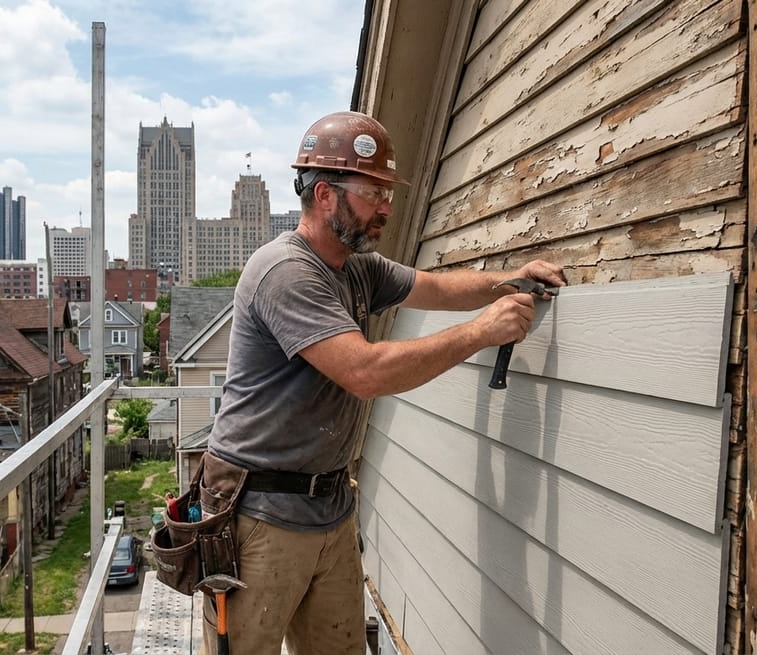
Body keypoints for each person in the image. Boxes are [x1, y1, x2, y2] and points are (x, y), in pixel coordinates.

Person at [201, 111, 565, 655]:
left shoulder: (357, 267)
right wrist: (482, 332)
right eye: (373, 193)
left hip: (328, 507)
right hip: (258, 515)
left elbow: (435, 288)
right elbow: (365, 372)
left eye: (387, 193)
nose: (386, 208)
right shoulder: (286, 272)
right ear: (325, 195)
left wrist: (510, 282)